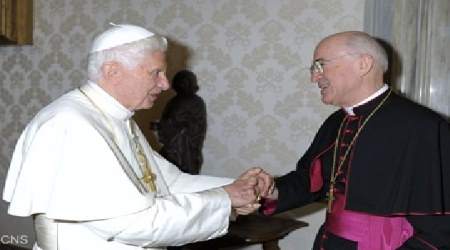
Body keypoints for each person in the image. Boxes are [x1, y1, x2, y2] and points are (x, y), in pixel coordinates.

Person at [2, 24, 272, 250]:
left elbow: (167, 182)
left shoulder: (116, 118)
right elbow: (133, 222)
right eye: (156, 73)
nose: (165, 84)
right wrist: (225, 198)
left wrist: (237, 187)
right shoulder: (70, 124)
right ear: (112, 71)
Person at [261, 31, 450, 249]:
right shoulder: (337, 121)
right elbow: (311, 181)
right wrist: (269, 190)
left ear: (363, 64)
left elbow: (440, 229)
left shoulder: (423, 127)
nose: (314, 77)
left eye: (320, 65)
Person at [154, 69, 207, 175]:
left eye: (184, 82)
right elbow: (169, 120)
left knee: (184, 172)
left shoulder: (196, 102)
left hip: (185, 148)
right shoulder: (174, 101)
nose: (182, 85)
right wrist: (161, 126)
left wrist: (168, 125)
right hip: (173, 148)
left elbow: (196, 126)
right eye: (180, 82)